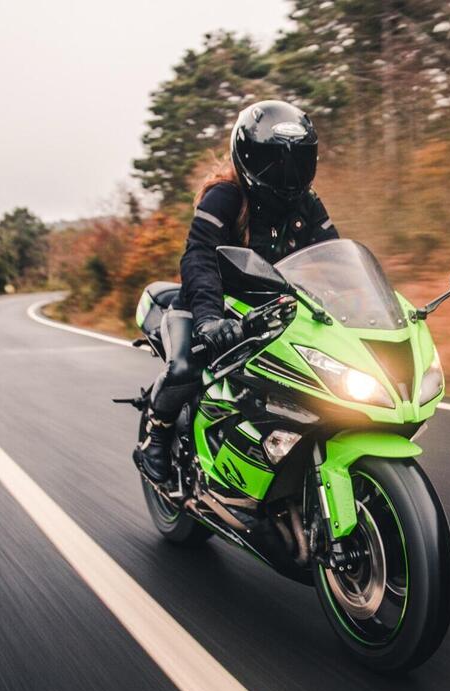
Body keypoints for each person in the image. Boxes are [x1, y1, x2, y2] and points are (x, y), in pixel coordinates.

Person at [135, 100, 339, 484]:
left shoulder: (306, 204)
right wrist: (210, 320)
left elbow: (334, 258)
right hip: (208, 304)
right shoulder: (226, 197)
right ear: (247, 157)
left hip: (271, 312)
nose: (288, 172)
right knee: (184, 367)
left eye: (297, 160)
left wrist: (354, 305)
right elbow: (199, 259)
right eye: (274, 161)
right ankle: (155, 434)